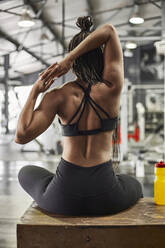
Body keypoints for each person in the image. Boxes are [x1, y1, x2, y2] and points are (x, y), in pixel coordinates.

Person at [15, 16, 143, 216]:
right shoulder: (112, 88)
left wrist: (35, 91)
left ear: (73, 62)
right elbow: (109, 30)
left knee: (26, 172)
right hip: (107, 198)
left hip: (63, 198)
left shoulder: (57, 96)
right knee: (133, 183)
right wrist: (69, 58)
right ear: (101, 59)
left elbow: (21, 136)